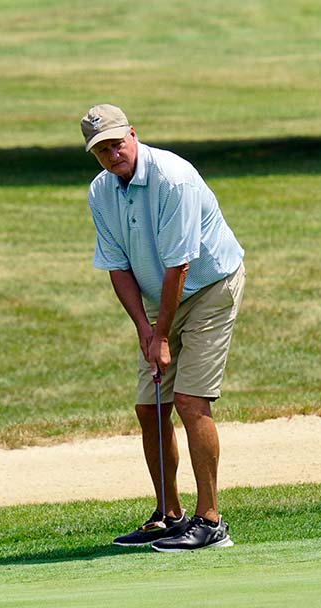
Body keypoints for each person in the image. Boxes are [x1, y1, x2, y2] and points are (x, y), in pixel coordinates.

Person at [81, 104, 245, 552]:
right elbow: (116, 267)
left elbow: (180, 264)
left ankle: (210, 521)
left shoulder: (173, 178)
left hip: (209, 287)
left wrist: (161, 333)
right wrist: (144, 330)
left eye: (118, 142)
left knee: (190, 401)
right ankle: (169, 515)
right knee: (150, 407)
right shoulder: (101, 192)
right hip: (159, 304)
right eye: (102, 149)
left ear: (133, 134)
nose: (113, 153)